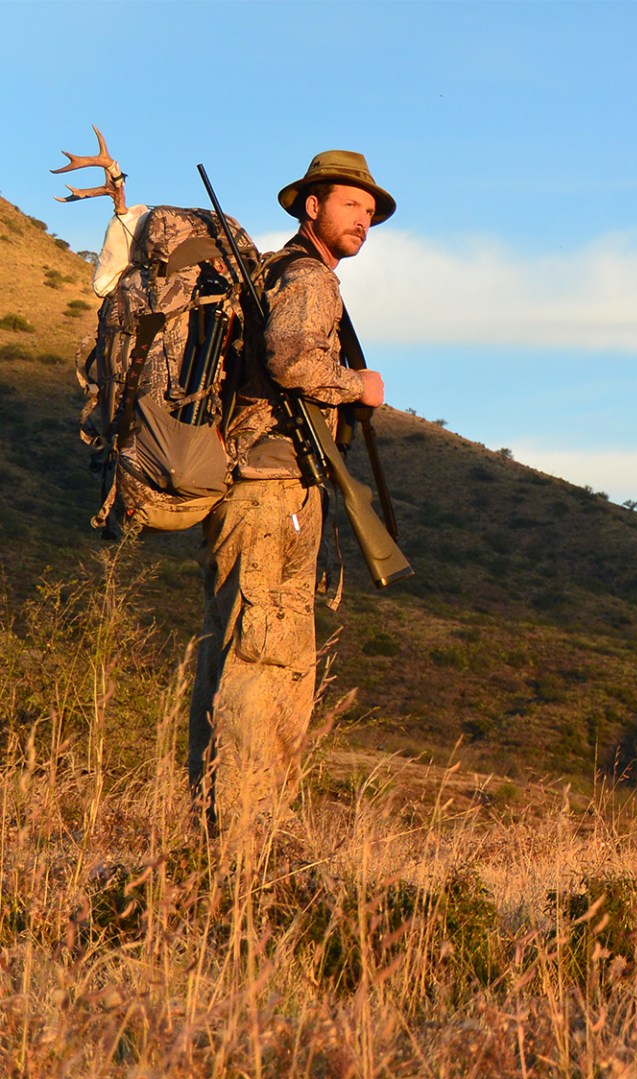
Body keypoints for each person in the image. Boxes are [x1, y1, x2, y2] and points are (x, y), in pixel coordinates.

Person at [188, 151, 395, 830]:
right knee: (267, 661)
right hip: (273, 490)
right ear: (312, 207)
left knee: (233, 657)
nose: (363, 220)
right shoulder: (308, 278)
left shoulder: (273, 273)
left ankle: (215, 829)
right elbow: (290, 359)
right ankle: (245, 842)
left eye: (369, 211)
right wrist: (355, 387)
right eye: (350, 205)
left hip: (249, 487)